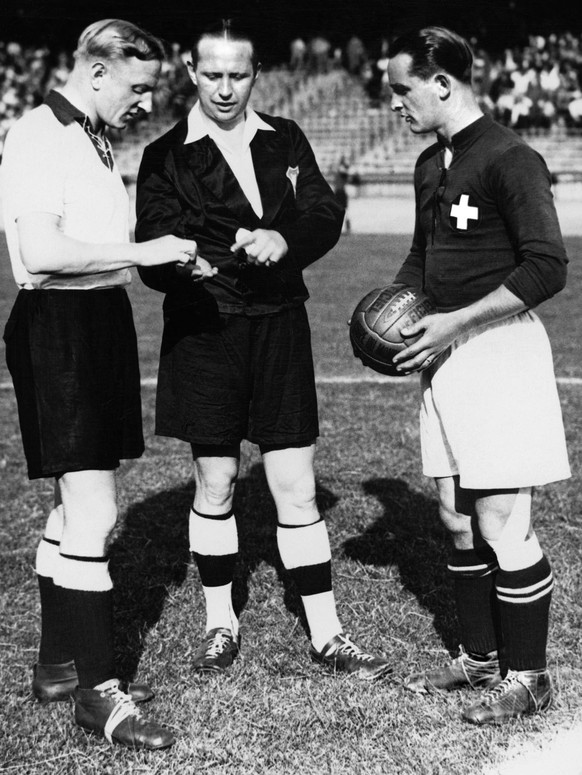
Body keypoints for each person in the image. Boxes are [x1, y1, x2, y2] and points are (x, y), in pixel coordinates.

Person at [135, 20, 392, 682]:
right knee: (216, 481)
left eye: (239, 74)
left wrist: (286, 243)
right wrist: (182, 266)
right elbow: (152, 247)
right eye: (212, 74)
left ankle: (328, 632)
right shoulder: (166, 155)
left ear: (257, 75)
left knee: (296, 486)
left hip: (279, 323)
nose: (225, 88)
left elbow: (322, 211)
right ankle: (221, 620)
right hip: (205, 329)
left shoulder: (286, 139)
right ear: (191, 71)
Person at [1, 19, 211, 750]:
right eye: (139, 87)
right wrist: (140, 248)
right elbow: (39, 251)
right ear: (96, 72)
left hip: (97, 321)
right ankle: (100, 695)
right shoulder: (38, 132)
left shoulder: (88, 132)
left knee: (72, 503)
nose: (147, 103)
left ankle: (60, 664)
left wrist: (155, 258)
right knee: (94, 511)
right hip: (60, 327)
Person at [385, 27, 570, 724]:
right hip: (444, 352)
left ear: (442, 82)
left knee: (501, 521)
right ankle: (480, 655)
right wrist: (396, 309)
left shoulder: (511, 158)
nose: (394, 103)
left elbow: (546, 265)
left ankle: (530, 677)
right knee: (454, 516)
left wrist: (455, 323)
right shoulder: (431, 163)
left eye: (402, 89)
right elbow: (420, 257)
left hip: (498, 351)